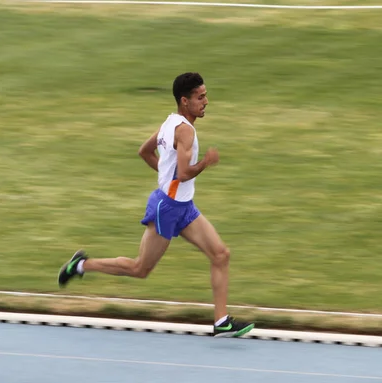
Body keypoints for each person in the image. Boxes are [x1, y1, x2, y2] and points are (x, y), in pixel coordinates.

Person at [58, 72, 254, 338]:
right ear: (185, 101)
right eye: (201, 97)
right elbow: (184, 173)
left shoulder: (169, 122)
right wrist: (205, 163)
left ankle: (222, 323)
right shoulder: (184, 130)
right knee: (140, 269)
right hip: (169, 208)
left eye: (205, 95)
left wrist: (165, 178)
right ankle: (80, 265)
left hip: (183, 206)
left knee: (221, 255)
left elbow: (145, 152)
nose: (206, 101)